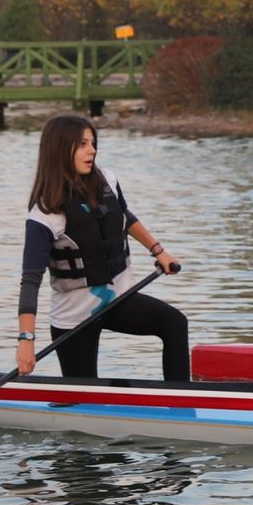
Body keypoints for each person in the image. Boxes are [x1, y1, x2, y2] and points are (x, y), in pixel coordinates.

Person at [15, 114, 187, 380]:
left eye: (93, 143)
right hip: (74, 317)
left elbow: (124, 216)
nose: (92, 150)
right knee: (82, 395)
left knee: (174, 323)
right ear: (60, 149)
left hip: (116, 300)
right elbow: (30, 280)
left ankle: (180, 400)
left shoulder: (107, 180)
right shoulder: (45, 213)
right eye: (83, 144)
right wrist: (26, 339)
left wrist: (158, 251)